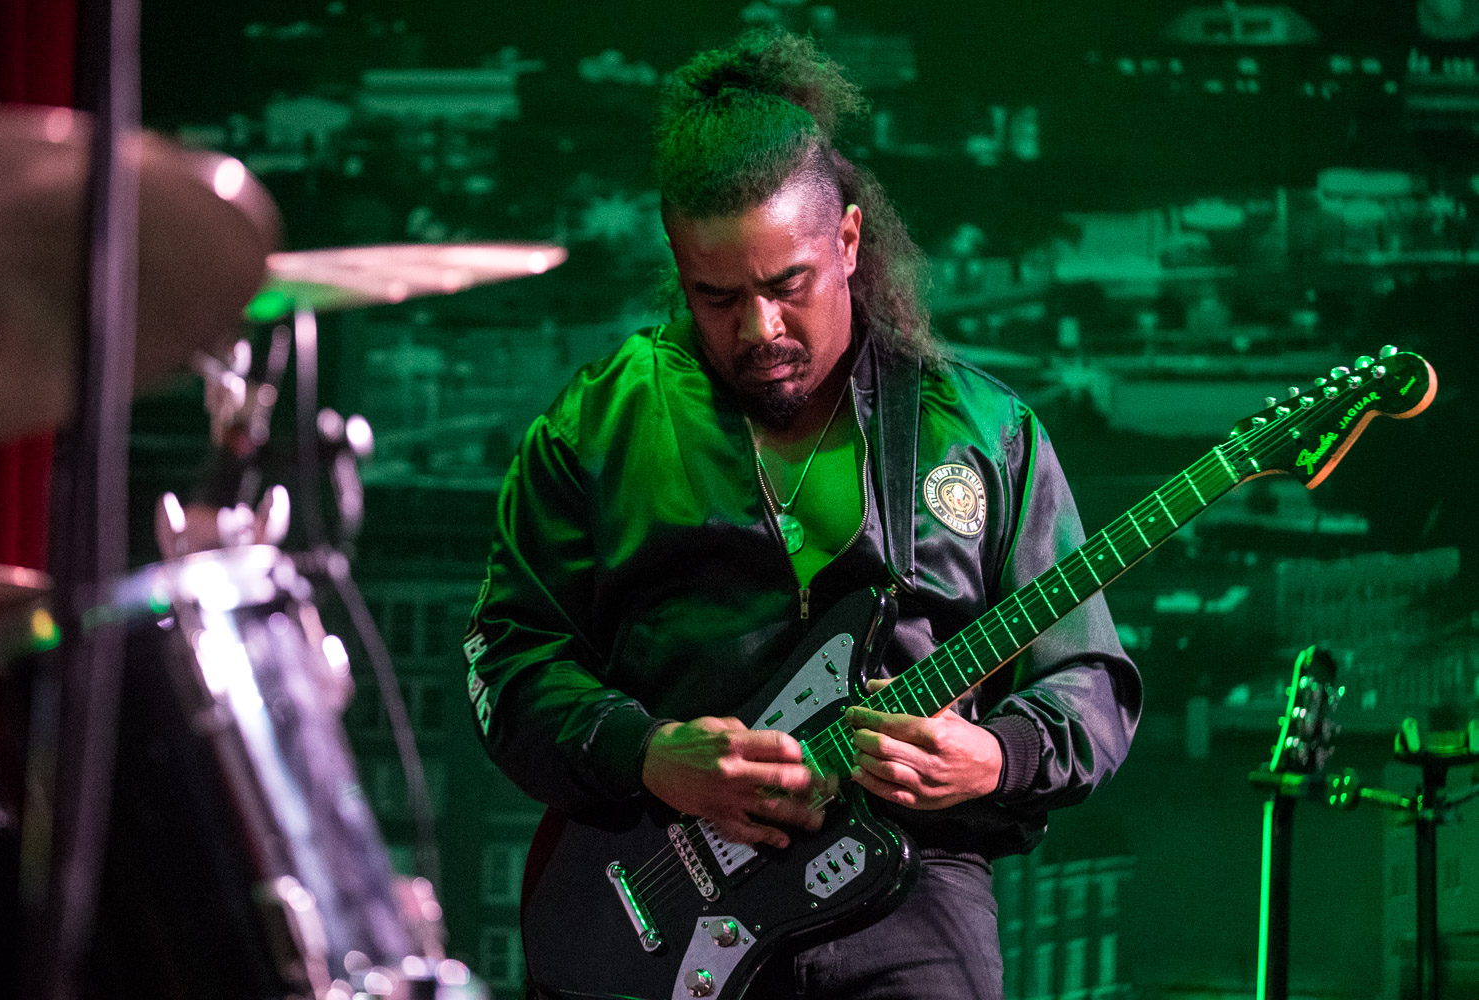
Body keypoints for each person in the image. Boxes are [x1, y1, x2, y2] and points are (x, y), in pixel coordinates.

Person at [463, 29, 1141, 1000]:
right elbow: (507, 656)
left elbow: (1091, 680)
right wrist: (650, 753)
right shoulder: (596, 427)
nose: (761, 330)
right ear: (677, 260)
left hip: (908, 887)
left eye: (790, 287)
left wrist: (997, 754)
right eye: (718, 297)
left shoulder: (984, 434)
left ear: (849, 242)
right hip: (648, 904)